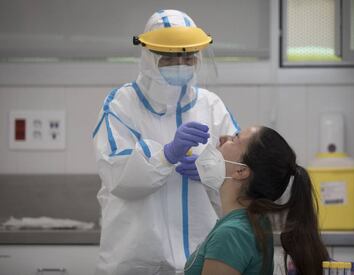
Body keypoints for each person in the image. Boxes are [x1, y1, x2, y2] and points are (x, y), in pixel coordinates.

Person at [92, 9, 240, 275]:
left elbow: (239, 170)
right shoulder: (121, 105)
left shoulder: (211, 105)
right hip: (135, 260)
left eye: (188, 56)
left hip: (201, 257)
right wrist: (166, 155)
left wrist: (214, 171)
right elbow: (117, 174)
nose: (181, 63)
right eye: (170, 56)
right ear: (149, 56)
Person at [184, 126, 330, 275]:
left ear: (241, 171)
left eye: (234, 138)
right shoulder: (253, 222)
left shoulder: (231, 234)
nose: (223, 138)